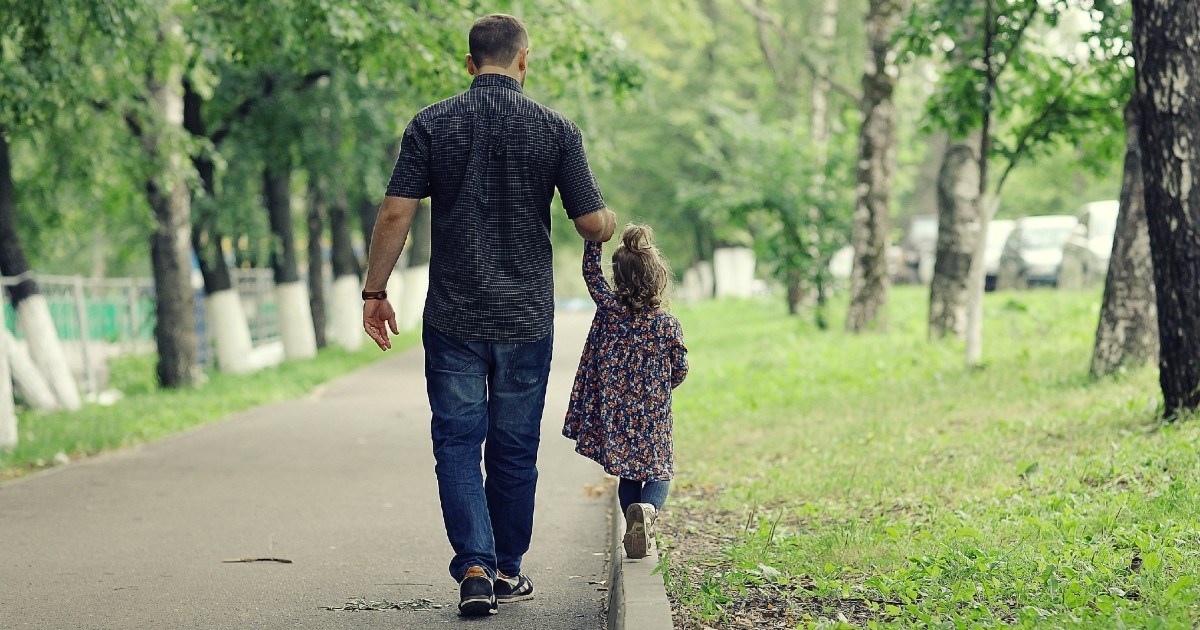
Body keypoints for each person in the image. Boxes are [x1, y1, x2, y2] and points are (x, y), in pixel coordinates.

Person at [359, 14, 617, 617]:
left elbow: (397, 213)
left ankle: (473, 565)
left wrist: (375, 291)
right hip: (526, 315)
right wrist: (607, 225)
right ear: (523, 61)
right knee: (513, 445)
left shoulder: (430, 124)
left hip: (453, 314)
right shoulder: (556, 130)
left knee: (455, 441)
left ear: (470, 64)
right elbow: (589, 221)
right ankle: (506, 567)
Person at [563, 224, 688, 560]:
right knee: (659, 471)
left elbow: (591, 272)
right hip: (654, 413)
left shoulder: (610, 310)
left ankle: (634, 516)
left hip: (618, 412)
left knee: (628, 472)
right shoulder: (666, 324)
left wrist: (595, 234)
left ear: (618, 277)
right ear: (657, 277)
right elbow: (680, 368)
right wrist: (662, 387)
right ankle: (647, 512)